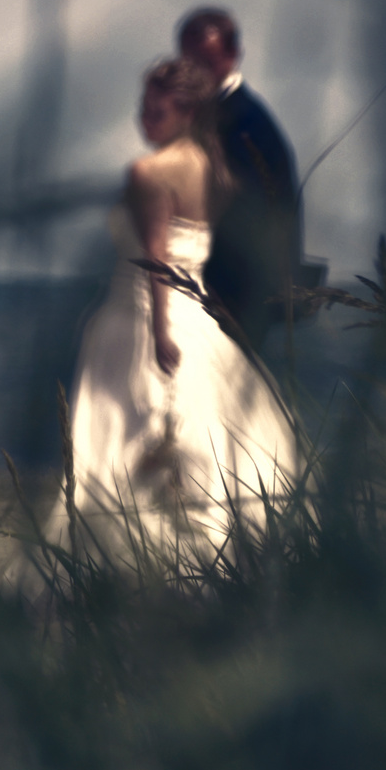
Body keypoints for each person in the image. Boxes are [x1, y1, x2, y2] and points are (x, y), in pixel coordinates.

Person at [49, 57, 301, 568]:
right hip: (201, 319)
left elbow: (156, 261)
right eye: (142, 106)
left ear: (186, 111)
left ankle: (133, 560)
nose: (144, 117)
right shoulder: (216, 171)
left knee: (123, 439)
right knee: (197, 430)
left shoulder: (149, 172)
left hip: (141, 321)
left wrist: (160, 332)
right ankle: (217, 549)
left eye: (156, 109)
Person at [177, 7, 302, 348]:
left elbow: (249, 214)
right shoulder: (217, 114)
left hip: (239, 292)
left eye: (205, 61)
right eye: (187, 61)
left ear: (233, 55)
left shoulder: (247, 123)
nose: (193, 72)